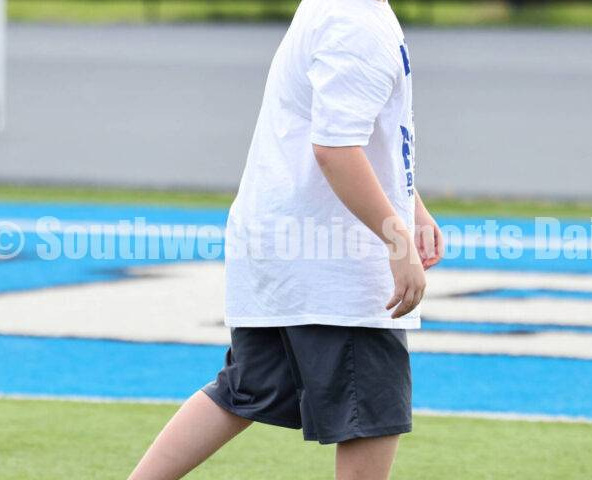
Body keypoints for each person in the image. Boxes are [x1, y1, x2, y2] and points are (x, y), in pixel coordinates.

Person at [129, 0, 443, 478]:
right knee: (372, 417)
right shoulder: (356, 23)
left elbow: (356, 130)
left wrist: (410, 204)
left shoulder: (340, 8)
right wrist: (395, 236)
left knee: (246, 389)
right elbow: (335, 149)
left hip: (279, 247)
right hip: (330, 260)